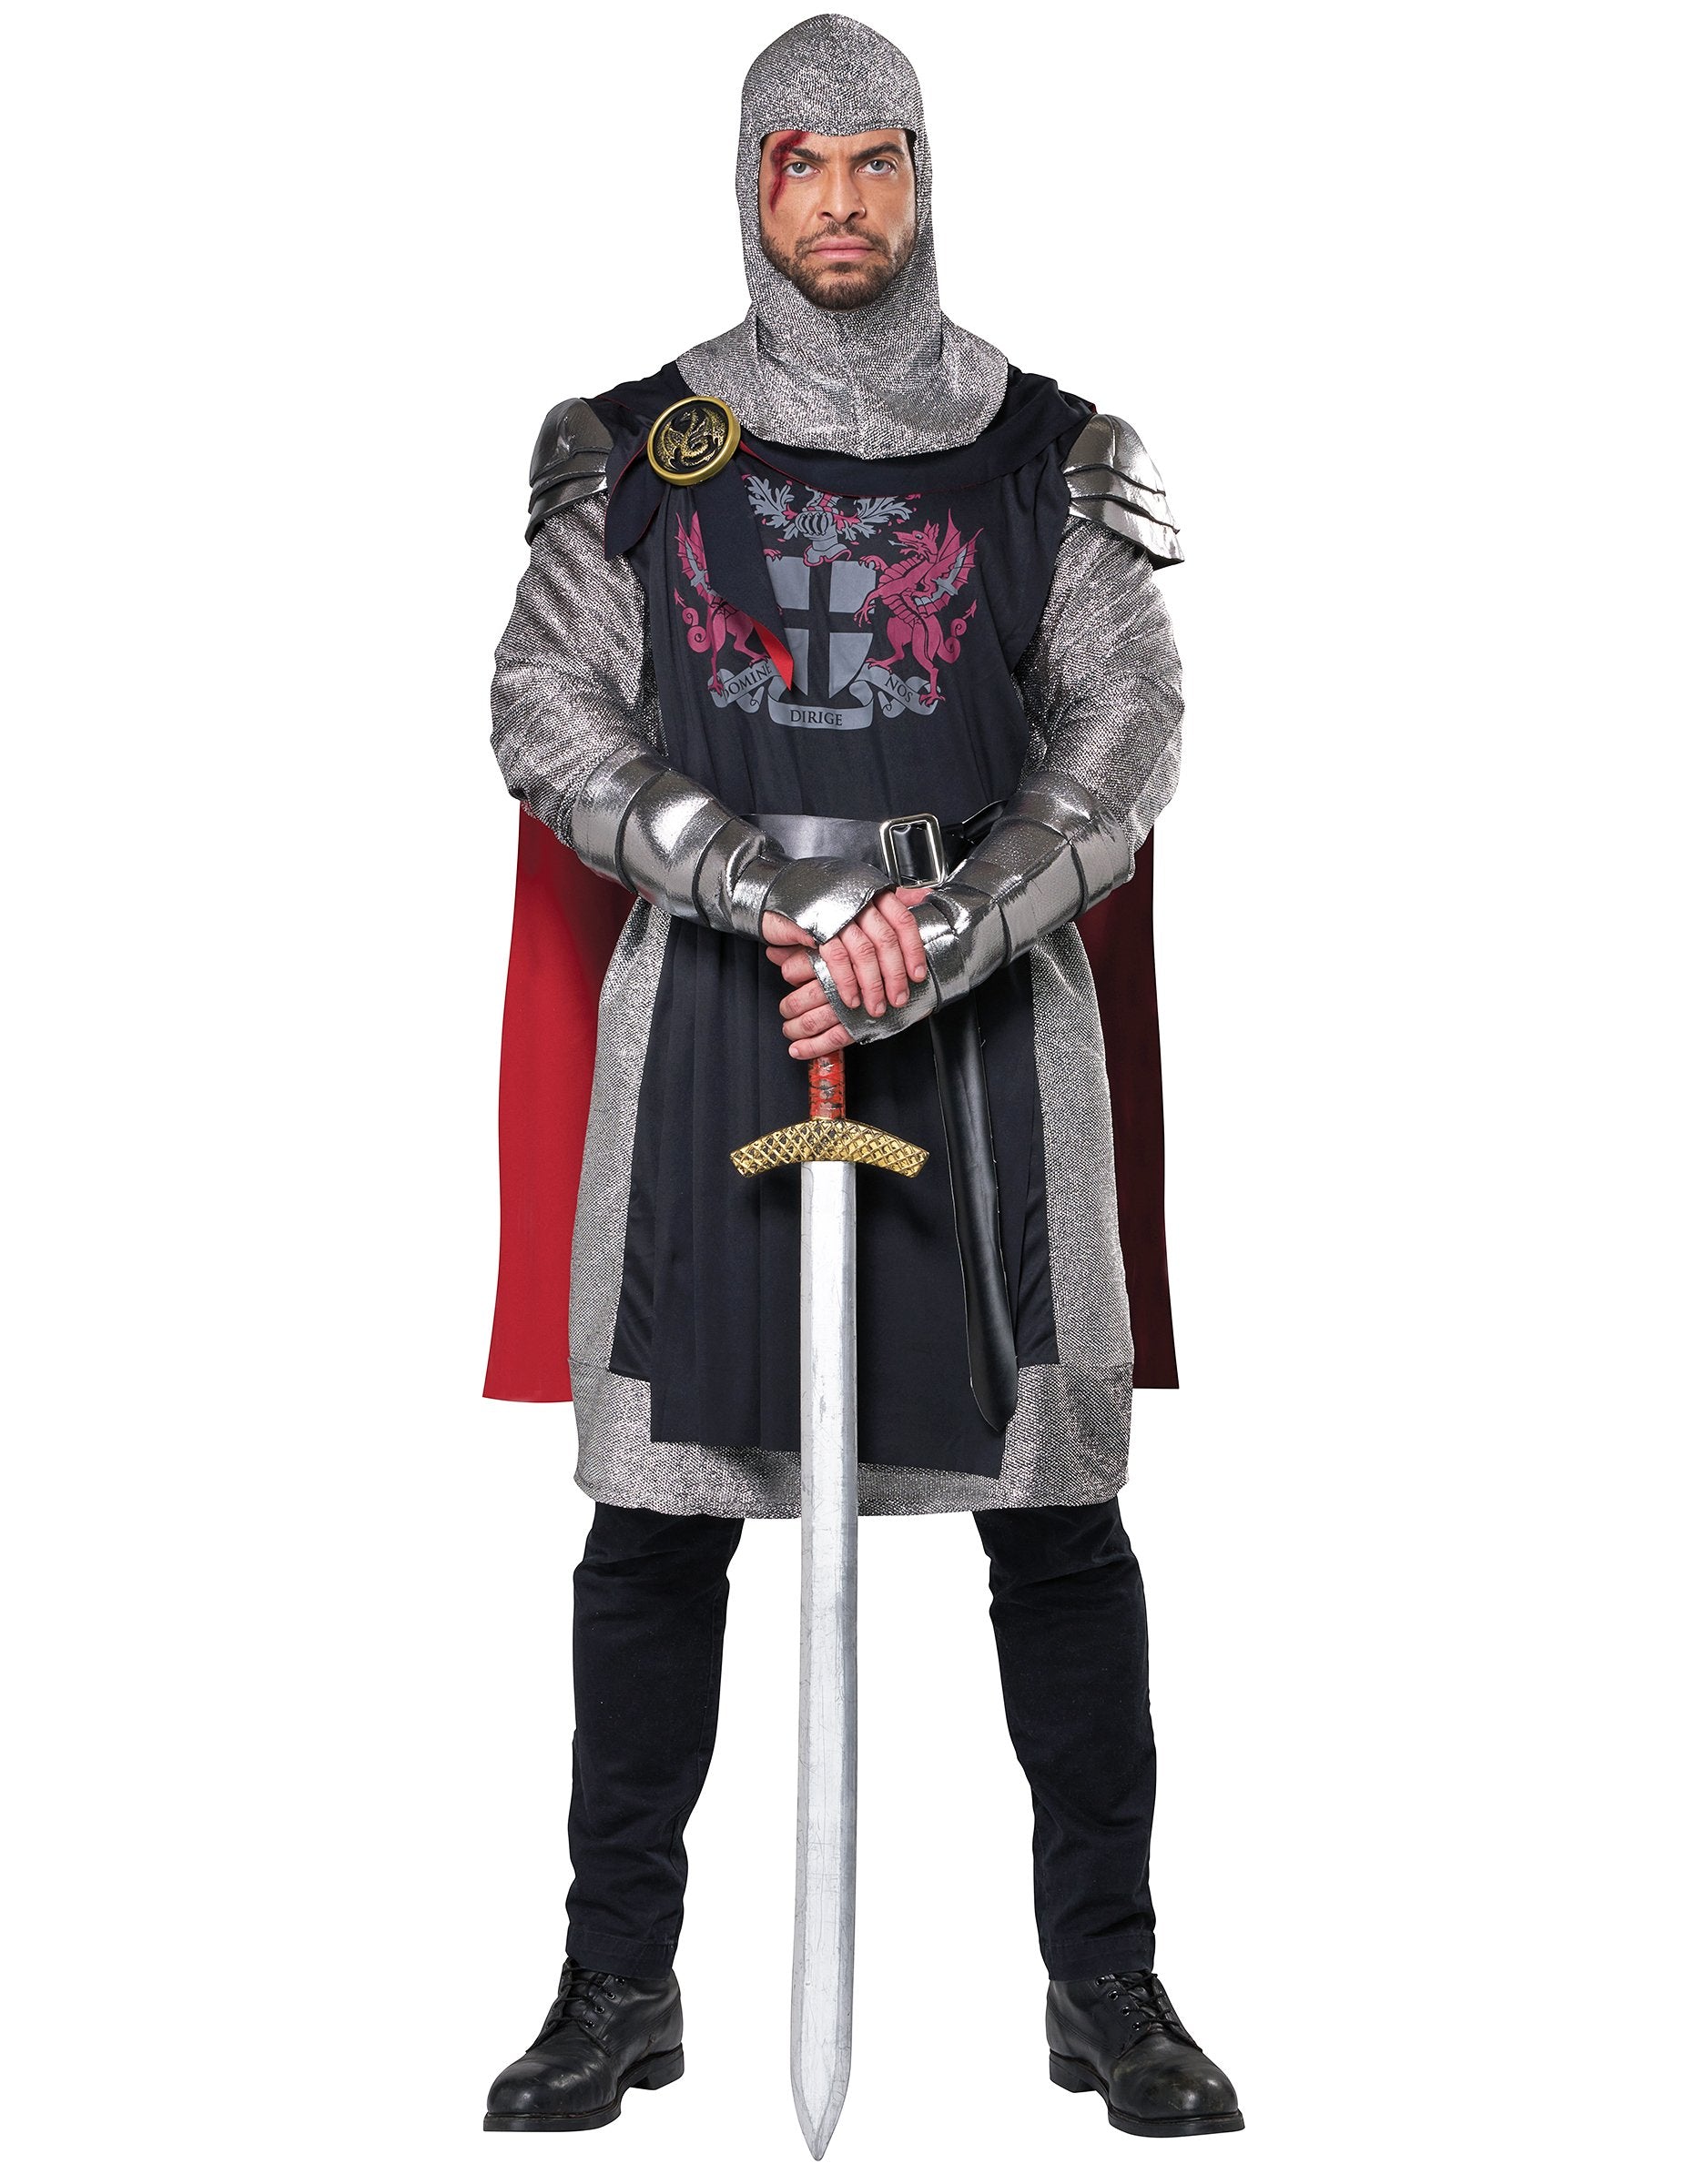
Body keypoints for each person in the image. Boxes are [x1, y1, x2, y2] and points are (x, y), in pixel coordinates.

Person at [480, 13, 1242, 2141]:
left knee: (1057, 1523)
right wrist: (756, 879)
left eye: (875, 161)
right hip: (714, 1015)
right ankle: (614, 1981)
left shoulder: (1049, 457)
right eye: (800, 163)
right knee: (658, 1525)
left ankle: (1107, 1982)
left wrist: (949, 921)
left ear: (923, 178)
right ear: (750, 185)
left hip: (987, 1032)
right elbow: (546, 707)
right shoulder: (634, 454)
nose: (840, 201)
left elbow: (1123, 734)